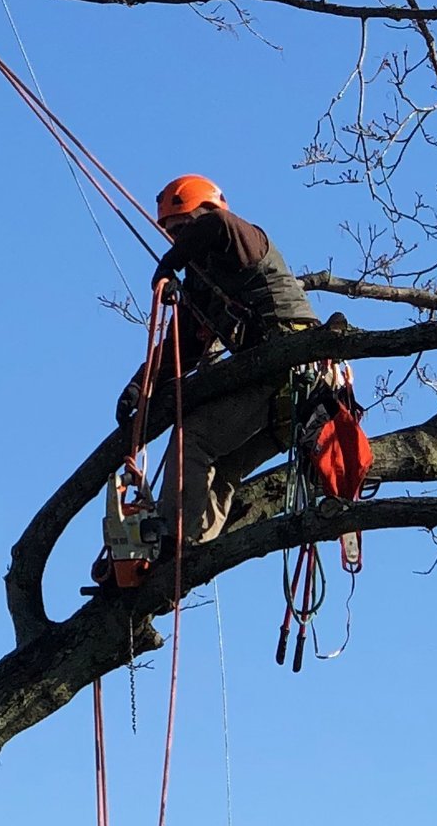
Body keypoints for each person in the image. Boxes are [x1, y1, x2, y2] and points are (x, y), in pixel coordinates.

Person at [121, 174, 328, 562]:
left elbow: (216, 226)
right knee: (223, 466)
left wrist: (170, 264)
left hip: (290, 368)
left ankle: (172, 538)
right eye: (172, 234)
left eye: (183, 229)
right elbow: (177, 347)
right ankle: (190, 553)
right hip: (283, 398)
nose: (178, 240)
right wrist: (138, 389)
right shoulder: (202, 284)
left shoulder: (244, 241)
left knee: (193, 438)